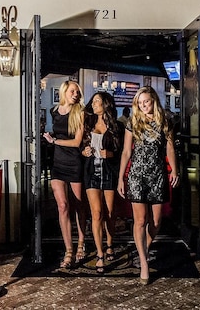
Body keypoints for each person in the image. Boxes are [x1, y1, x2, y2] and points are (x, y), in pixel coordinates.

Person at [118, 86, 179, 285]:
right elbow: (126, 152)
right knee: (140, 221)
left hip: (158, 174)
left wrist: (175, 171)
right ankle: (144, 262)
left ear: (154, 100)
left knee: (156, 221)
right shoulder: (132, 123)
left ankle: (142, 248)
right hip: (137, 175)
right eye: (140, 102)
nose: (144, 105)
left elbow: (170, 149)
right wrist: (121, 178)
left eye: (147, 101)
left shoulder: (165, 122)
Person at [42, 80, 87, 269]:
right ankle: (68, 249)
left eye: (77, 91)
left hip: (74, 162)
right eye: (72, 91)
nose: (75, 94)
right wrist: (50, 139)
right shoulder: (54, 111)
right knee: (62, 205)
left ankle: (81, 243)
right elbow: (56, 134)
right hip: (58, 163)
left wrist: (55, 142)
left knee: (78, 205)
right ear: (64, 92)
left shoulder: (80, 112)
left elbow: (77, 142)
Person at [81, 92, 122, 274]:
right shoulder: (88, 123)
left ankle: (110, 244)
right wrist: (85, 151)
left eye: (98, 101)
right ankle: (99, 254)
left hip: (109, 172)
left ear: (106, 104)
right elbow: (81, 146)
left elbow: (122, 152)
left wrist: (110, 154)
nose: (94, 103)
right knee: (96, 214)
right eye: (94, 101)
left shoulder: (117, 126)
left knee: (110, 213)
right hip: (91, 172)